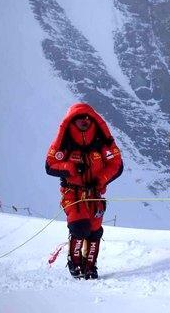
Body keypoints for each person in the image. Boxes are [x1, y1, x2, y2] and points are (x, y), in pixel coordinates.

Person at [46, 103, 123, 279]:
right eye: (79, 118)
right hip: (72, 193)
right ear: (72, 121)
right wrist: (71, 168)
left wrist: (100, 179)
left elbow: (116, 165)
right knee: (79, 228)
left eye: (87, 118)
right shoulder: (64, 142)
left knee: (95, 232)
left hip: (95, 194)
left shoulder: (101, 141)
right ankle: (74, 262)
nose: (84, 121)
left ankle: (90, 266)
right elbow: (50, 165)